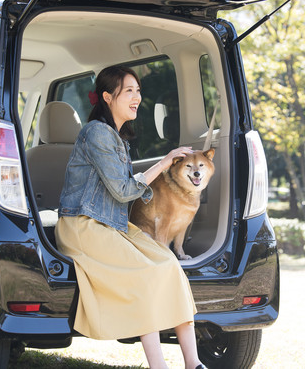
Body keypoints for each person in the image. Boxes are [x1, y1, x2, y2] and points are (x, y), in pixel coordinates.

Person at [55, 65, 206, 369]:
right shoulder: (96, 132)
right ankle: (159, 366)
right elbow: (124, 191)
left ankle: (194, 364)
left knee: (168, 265)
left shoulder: (117, 137)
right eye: (129, 91)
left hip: (112, 225)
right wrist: (164, 163)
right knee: (145, 274)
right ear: (108, 97)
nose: (137, 97)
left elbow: (125, 194)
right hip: (83, 226)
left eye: (138, 90)